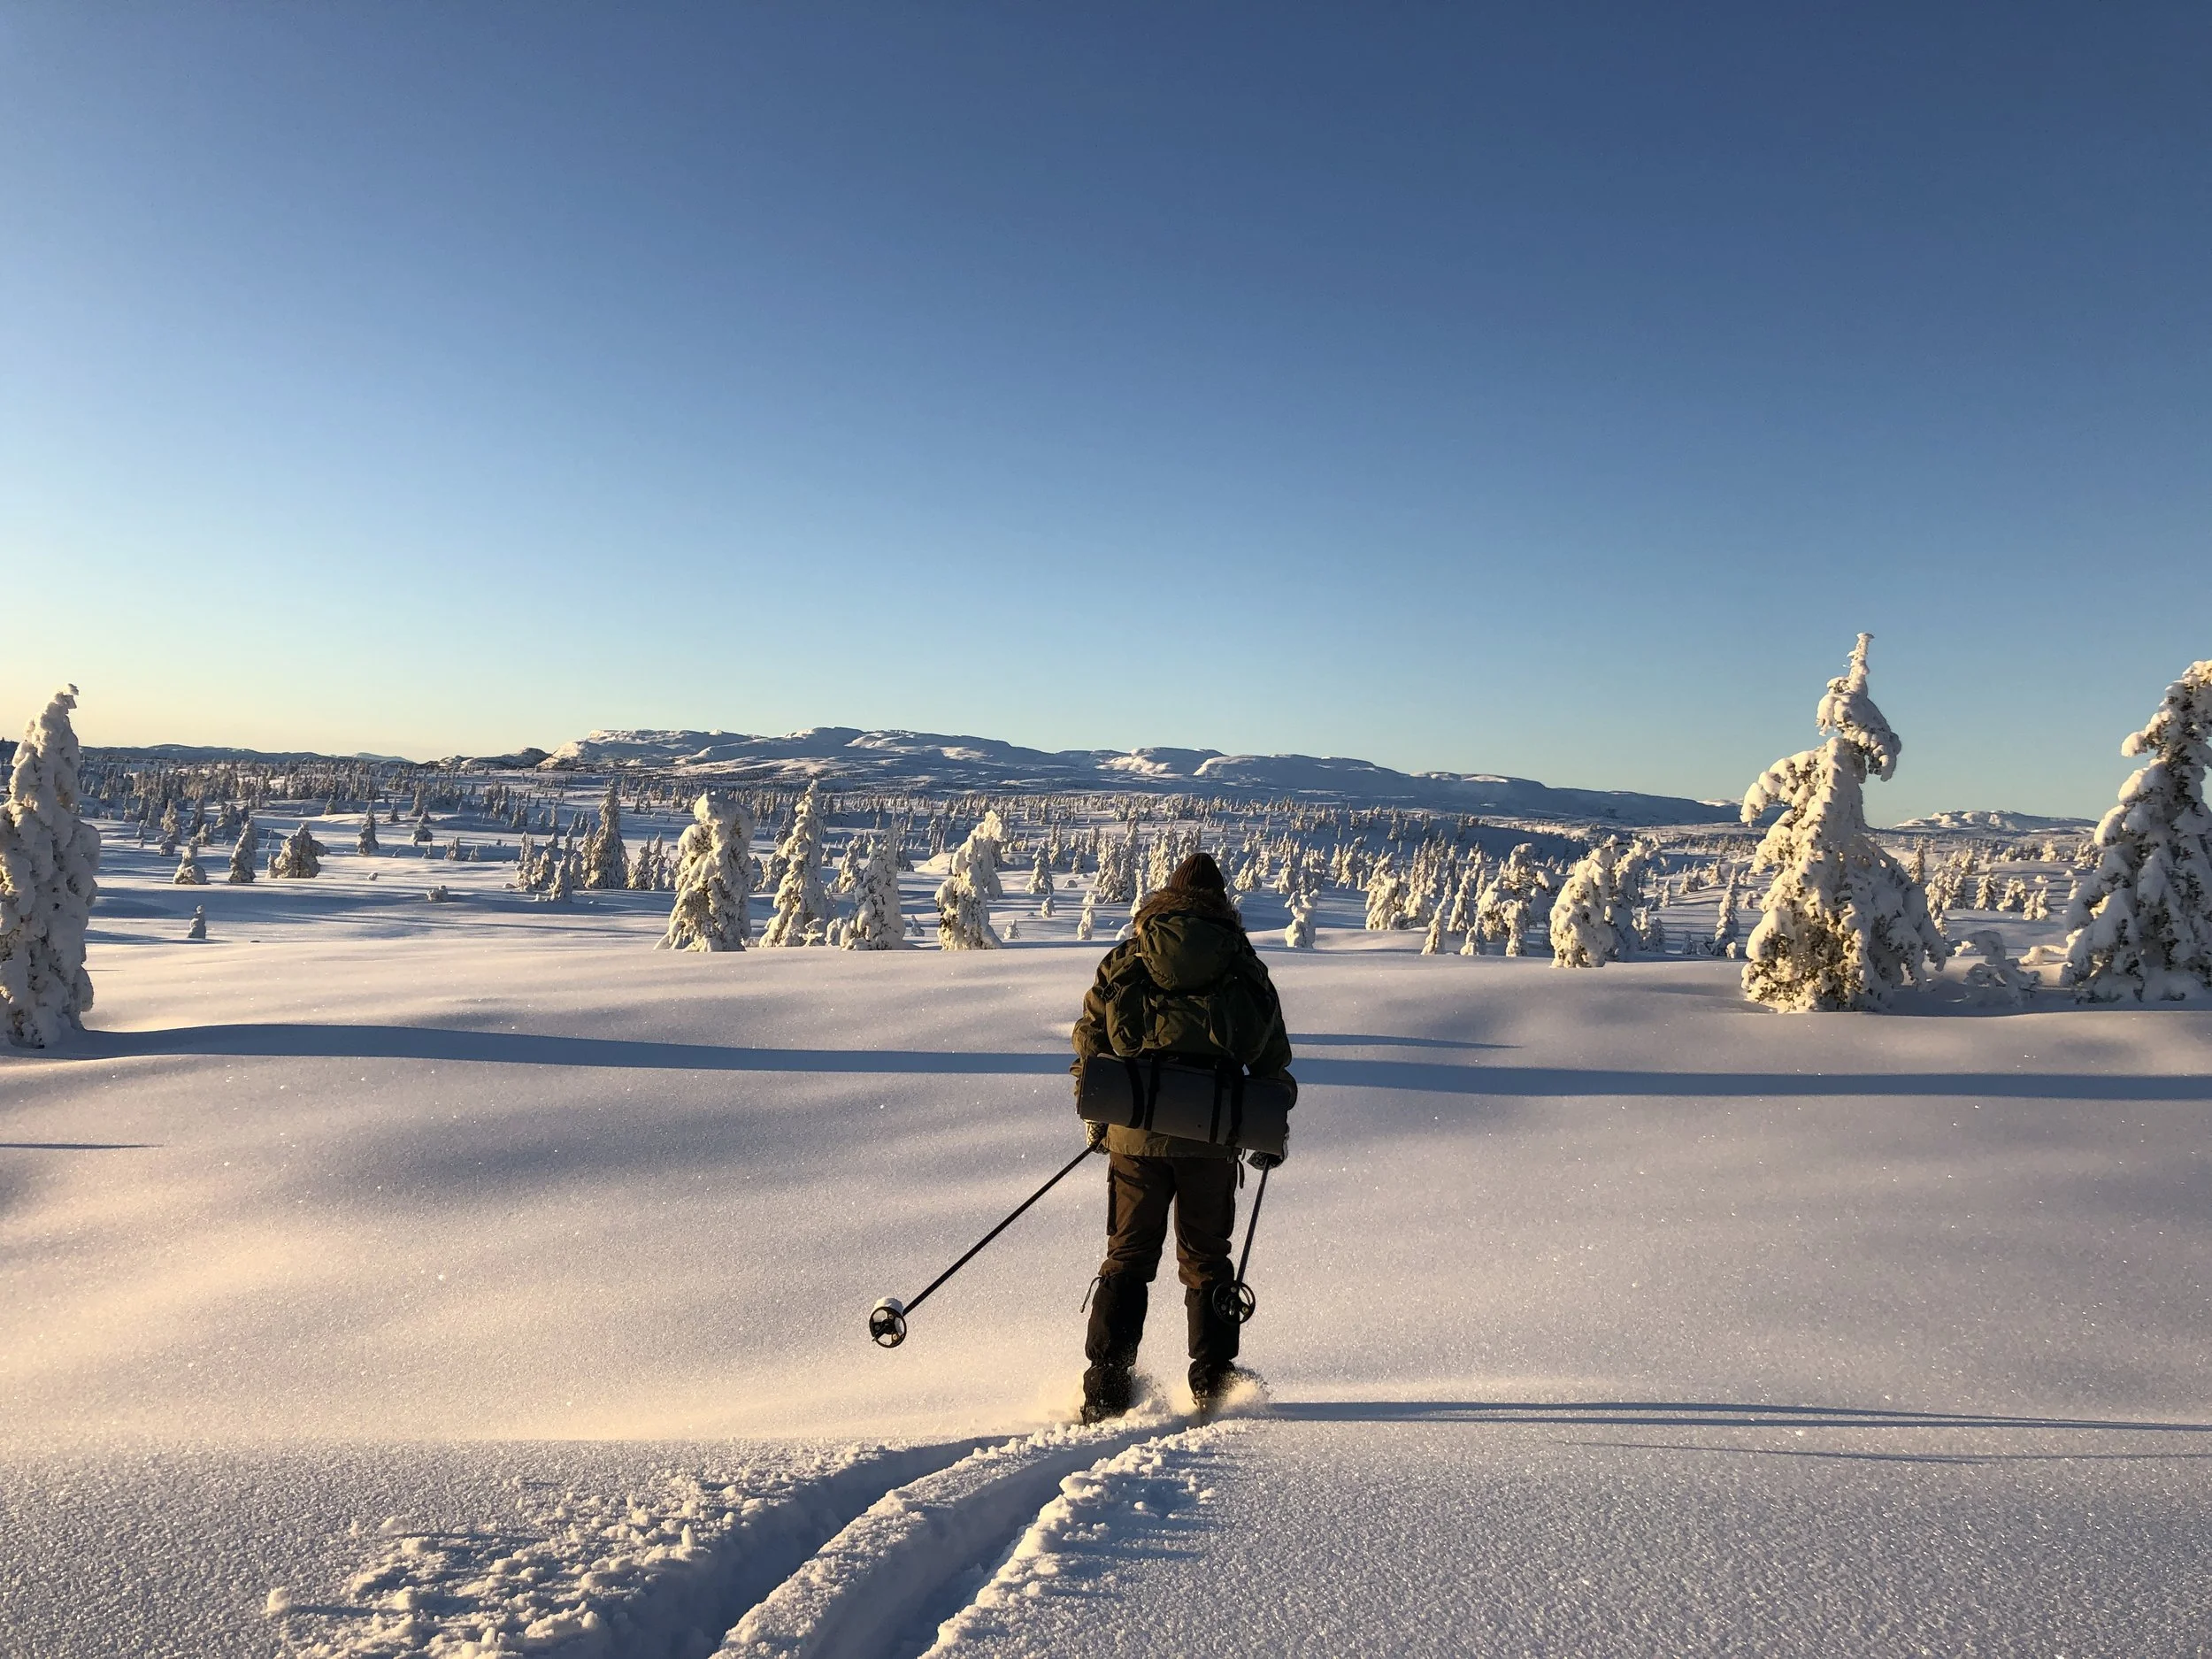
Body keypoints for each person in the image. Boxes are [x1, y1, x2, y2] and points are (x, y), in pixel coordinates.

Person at [1071, 850, 1295, 1420]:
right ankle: (1215, 1384)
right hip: (1211, 1137)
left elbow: (1090, 1037)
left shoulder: (1130, 955)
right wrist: (1270, 1129)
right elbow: (1271, 1058)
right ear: (1221, 903)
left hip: (1134, 1133)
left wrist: (1095, 1110)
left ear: (1169, 896)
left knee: (1127, 1256)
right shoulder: (1243, 964)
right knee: (1207, 1259)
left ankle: (1106, 1388)